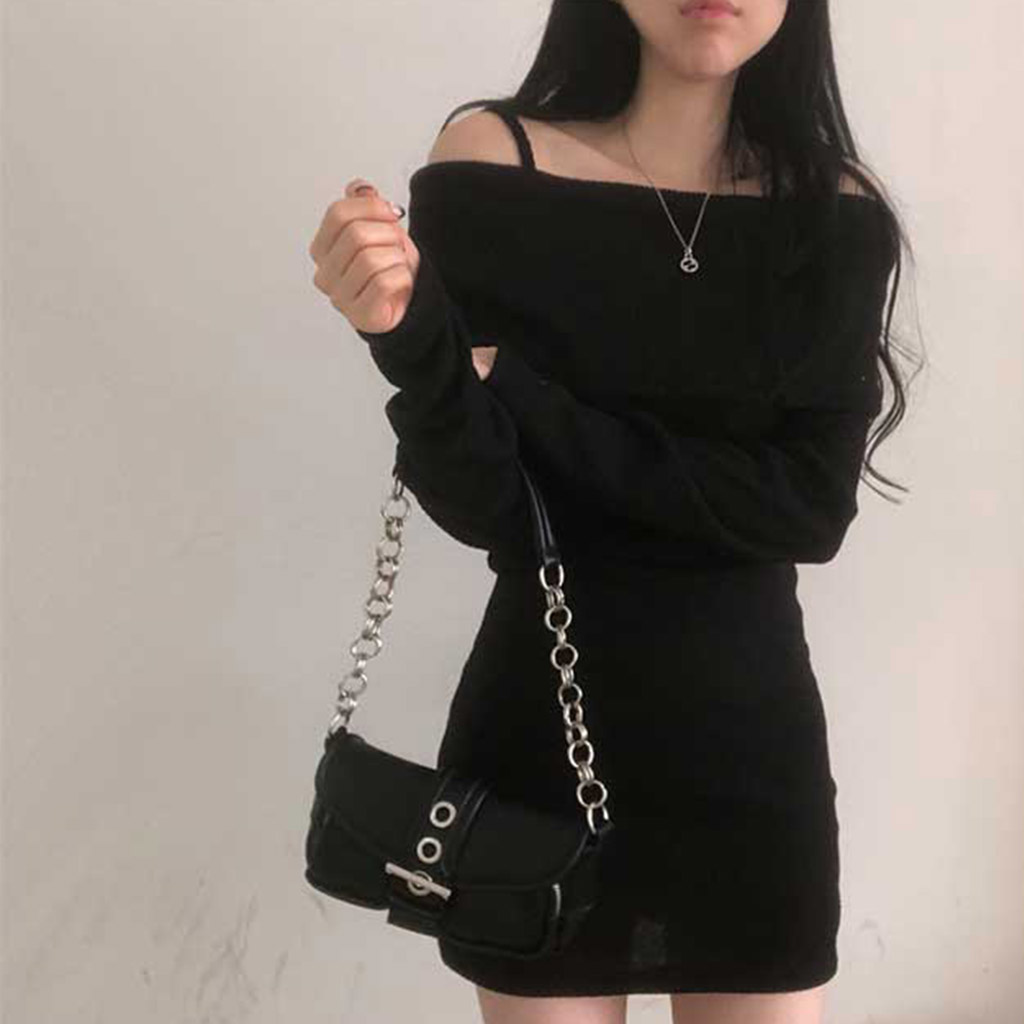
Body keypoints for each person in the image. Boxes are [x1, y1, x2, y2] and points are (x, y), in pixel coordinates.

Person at [307, 1, 915, 1021]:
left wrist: (528, 396)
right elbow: (490, 506)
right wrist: (404, 337)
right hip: (538, 740)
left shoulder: (835, 215)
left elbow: (806, 513)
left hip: (749, 762)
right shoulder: (492, 165)